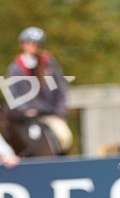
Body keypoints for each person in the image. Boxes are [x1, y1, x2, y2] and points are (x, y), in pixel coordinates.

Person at [5, 27, 72, 155]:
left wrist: (60, 112)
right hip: (25, 117)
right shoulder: (15, 68)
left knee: (65, 137)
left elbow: (61, 89)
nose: (32, 47)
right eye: (28, 43)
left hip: (49, 114)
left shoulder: (49, 64)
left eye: (36, 44)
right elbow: (12, 94)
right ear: (22, 44)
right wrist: (25, 110)